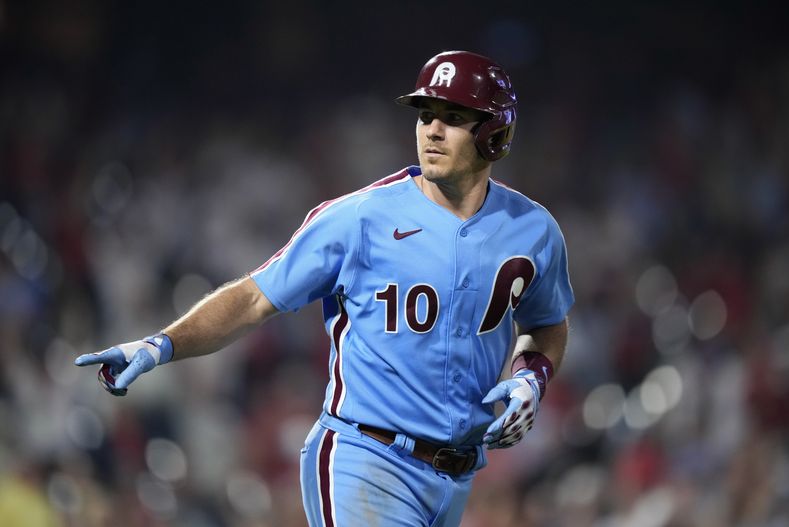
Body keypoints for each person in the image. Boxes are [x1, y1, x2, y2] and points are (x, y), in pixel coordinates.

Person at [75, 50, 574, 527]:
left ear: (494, 132)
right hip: (367, 459)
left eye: (454, 117)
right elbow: (253, 297)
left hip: (457, 475)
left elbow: (546, 322)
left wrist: (532, 377)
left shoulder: (533, 230)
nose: (432, 130)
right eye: (425, 115)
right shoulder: (358, 218)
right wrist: (161, 344)